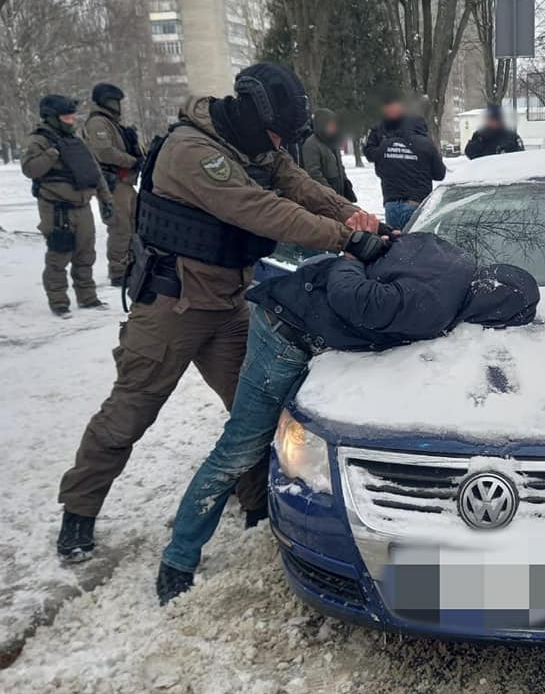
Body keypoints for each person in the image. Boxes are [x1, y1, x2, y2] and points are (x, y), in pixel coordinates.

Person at [55, 62, 384, 562]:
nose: (279, 145)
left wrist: (358, 218)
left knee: (256, 410)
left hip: (229, 303)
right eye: (276, 135)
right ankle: (79, 510)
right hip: (172, 306)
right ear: (252, 116)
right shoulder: (192, 151)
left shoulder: (255, 145)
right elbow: (262, 209)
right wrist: (346, 239)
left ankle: (255, 503)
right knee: (129, 412)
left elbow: (301, 186)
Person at [155, 231, 539, 602]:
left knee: (271, 437)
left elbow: (388, 245)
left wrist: (366, 249)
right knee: (240, 448)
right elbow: (352, 297)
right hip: (287, 331)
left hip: (308, 311)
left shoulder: (452, 255)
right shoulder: (434, 308)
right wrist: (350, 258)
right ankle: (178, 558)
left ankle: (256, 510)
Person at [21, 95, 114, 316]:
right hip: (57, 210)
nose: (71, 121)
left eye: (73, 117)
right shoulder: (39, 141)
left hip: (83, 208)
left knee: (85, 255)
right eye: (66, 117)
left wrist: (106, 199)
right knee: (59, 255)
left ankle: (88, 297)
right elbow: (30, 169)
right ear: (52, 117)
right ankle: (59, 301)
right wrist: (51, 154)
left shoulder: (76, 140)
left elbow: (94, 171)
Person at [83, 83, 144, 287]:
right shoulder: (98, 123)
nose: (117, 105)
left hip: (125, 182)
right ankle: (119, 271)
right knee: (120, 228)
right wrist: (132, 161)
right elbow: (105, 152)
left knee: (134, 225)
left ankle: (133, 265)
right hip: (113, 183)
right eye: (113, 101)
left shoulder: (111, 122)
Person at [363, 91, 446, 228]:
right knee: (416, 240)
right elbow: (440, 174)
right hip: (417, 204)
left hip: (391, 204)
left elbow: (379, 169)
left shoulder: (385, 145)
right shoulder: (426, 145)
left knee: (395, 240)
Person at [301, 108, 357, 201]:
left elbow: (340, 166)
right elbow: (314, 173)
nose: (334, 127)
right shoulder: (311, 144)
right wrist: (329, 192)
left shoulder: (333, 141)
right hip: (323, 196)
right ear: (321, 125)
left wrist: (346, 183)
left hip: (338, 190)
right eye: (330, 124)